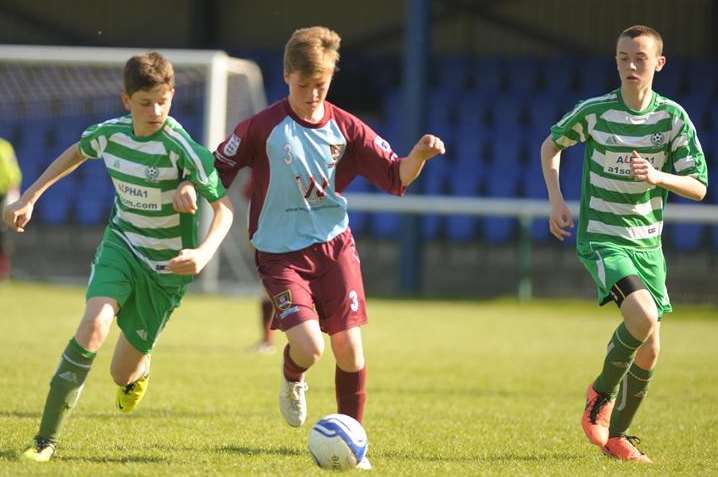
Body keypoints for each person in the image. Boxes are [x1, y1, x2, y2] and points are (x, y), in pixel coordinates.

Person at [173, 25, 444, 469]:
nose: (313, 94)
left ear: (332, 77)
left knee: (350, 350)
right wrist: (189, 185)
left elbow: (396, 176)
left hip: (334, 247)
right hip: (279, 255)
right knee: (310, 348)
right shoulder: (262, 127)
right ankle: (291, 373)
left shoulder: (347, 127)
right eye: (304, 85)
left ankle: (354, 449)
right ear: (286, 76)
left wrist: (418, 156)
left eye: (322, 84)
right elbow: (218, 167)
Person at [3, 52, 234, 462]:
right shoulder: (110, 134)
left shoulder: (183, 147)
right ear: (126, 100)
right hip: (123, 246)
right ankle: (43, 442)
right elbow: (76, 151)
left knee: (120, 373)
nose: (155, 111)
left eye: (163, 101)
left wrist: (203, 250)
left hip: (165, 272)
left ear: (172, 95)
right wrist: (31, 197)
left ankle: (138, 373)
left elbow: (225, 210)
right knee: (94, 323)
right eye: (145, 103)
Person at [540, 25, 708, 463]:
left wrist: (657, 176)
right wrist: (557, 200)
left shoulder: (672, 119)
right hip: (603, 239)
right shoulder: (596, 112)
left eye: (639, 57)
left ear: (659, 63)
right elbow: (551, 146)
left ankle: (619, 437)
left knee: (651, 345)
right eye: (622, 58)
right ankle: (599, 395)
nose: (630, 66)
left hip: (648, 246)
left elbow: (699, 186)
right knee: (643, 316)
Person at [0, 137, 21, 280]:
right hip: (7, 192)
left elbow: (12, 173)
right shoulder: (5, 145)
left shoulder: (4, 146)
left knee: (2, 234)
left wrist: (12, 192)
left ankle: (3, 270)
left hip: (3, 193)